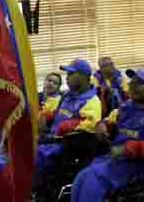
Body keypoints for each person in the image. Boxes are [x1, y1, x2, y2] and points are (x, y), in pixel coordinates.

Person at [71, 68, 144, 202]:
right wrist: (102, 125)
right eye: (132, 82)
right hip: (116, 158)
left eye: (139, 83)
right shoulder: (129, 105)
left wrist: (127, 149)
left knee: (93, 178)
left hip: (141, 165)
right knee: (81, 176)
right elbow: (111, 119)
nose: (132, 85)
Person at [0, 72, 63, 163]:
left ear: (58, 87)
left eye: (54, 83)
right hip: (28, 124)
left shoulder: (56, 100)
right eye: (49, 80)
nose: (50, 83)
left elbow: (43, 120)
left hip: (38, 130)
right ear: (44, 81)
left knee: (1, 130)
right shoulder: (37, 95)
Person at [33, 59, 101, 193]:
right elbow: (58, 113)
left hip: (65, 146)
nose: (67, 77)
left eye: (70, 74)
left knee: (34, 156)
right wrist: (48, 117)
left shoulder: (91, 101)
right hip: (50, 138)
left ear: (83, 77)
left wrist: (69, 125)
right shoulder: (67, 95)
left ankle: (34, 192)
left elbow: (91, 125)